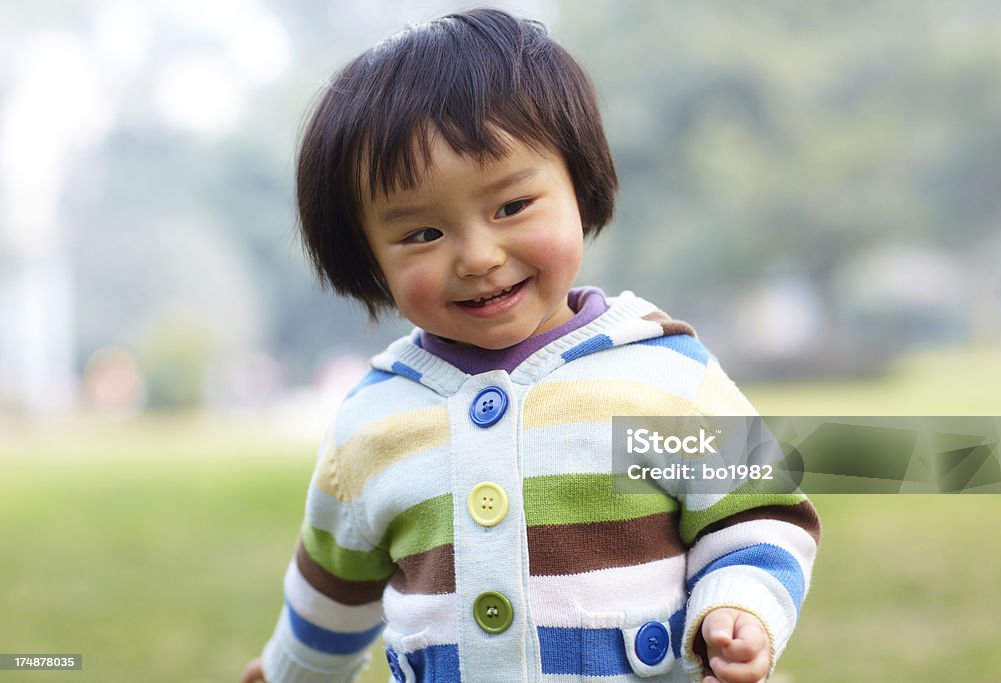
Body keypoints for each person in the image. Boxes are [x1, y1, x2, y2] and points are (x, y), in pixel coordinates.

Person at [242, 8, 820, 683]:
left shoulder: (662, 375)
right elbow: (329, 589)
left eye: (511, 206)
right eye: (422, 233)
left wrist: (741, 606)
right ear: (366, 255)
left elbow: (760, 514)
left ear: (580, 184)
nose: (479, 256)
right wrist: (290, 671)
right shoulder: (371, 424)